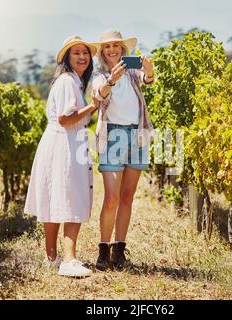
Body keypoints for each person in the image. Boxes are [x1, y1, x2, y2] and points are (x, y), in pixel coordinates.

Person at [24, 36, 98, 277]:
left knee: (55, 198)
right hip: (65, 143)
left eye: (85, 53)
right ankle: (69, 260)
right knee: (71, 197)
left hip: (58, 142)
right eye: (76, 53)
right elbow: (66, 119)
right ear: (66, 58)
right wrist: (93, 106)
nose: (82, 57)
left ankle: (52, 257)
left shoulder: (70, 81)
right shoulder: (68, 81)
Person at [92, 30, 155, 270]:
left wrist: (148, 70)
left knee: (127, 197)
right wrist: (111, 80)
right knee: (112, 198)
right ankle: (103, 250)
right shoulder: (100, 74)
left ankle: (119, 250)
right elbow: (99, 94)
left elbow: (147, 79)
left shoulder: (131, 72)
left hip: (137, 135)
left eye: (115, 46)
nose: (112, 49)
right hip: (112, 137)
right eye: (107, 46)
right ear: (102, 51)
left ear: (122, 49)